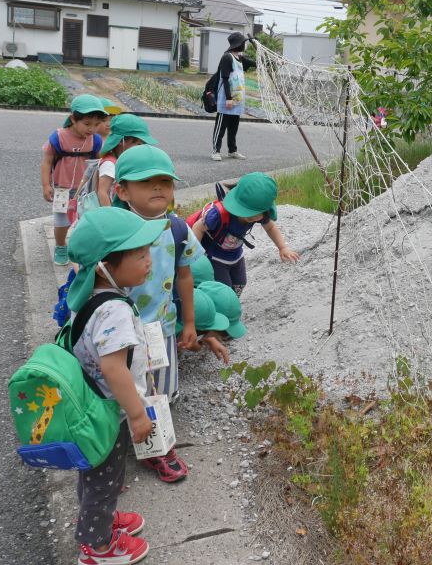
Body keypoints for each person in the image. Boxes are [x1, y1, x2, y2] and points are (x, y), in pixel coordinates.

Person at [66, 206, 166, 564]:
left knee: (96, 474)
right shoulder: (116, 311)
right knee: (104, 479)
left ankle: (99, 519)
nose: (149, 260)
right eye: (140, 254)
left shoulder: (91, 296)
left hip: (92, 406)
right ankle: (98, 545)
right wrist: (137, 415)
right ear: (105, 264)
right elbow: (113, 367)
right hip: (107, 412)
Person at [113, 145, 204, 483]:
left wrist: (189, 322)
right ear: (122, 190)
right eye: (147, 182)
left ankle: (157, 449)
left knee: (158, 392)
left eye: (165, 182)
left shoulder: (177, 229)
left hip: (161, 329)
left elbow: (184, 276)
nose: (158, 189)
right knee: (116, 389)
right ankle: (109, 458)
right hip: (117, 332)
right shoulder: (113, 229)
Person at [189, 172, 299, 297]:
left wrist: (282, 247)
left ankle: (232, 305)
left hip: (235, 255)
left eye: (258, 213)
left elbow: (271, 227)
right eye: (248, 212)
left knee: (240, 283)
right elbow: (198, 227)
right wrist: (194, 254)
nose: (255, 217)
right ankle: (222, 308)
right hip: (214, 257)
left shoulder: (261, 213)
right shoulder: (218, 214)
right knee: (223, 289)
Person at [41, 94, 108, 265]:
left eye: (96, 124)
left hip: (85, 189)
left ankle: (83, 247)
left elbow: (99, 164)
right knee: (61, 221)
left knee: (85, 219)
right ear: (73, 119)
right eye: (87, 124)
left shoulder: (96, 141)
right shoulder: (58, 137)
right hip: (61, 188)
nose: (91, 129)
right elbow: (47, 161)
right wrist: (46, 185)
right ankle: (61, 246)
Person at [211, 31, 256, 162]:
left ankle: (232, 150)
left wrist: (273, 62)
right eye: (243, 43)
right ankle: (216, 150)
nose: (244, 45)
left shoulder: (240, 58)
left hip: (238, 100)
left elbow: (256, 63)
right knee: (221, 126)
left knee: (233, 127)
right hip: (227, 99)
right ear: (238, 44)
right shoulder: (227, 57)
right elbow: (224, 79)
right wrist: (228, 98)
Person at [97, 114, 158, 208]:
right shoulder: (110, 164)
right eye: (137, 144)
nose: (141, 148)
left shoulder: (124, 161)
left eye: (143, 144)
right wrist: (109, 217)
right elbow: (102, 192)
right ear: (121, 141)